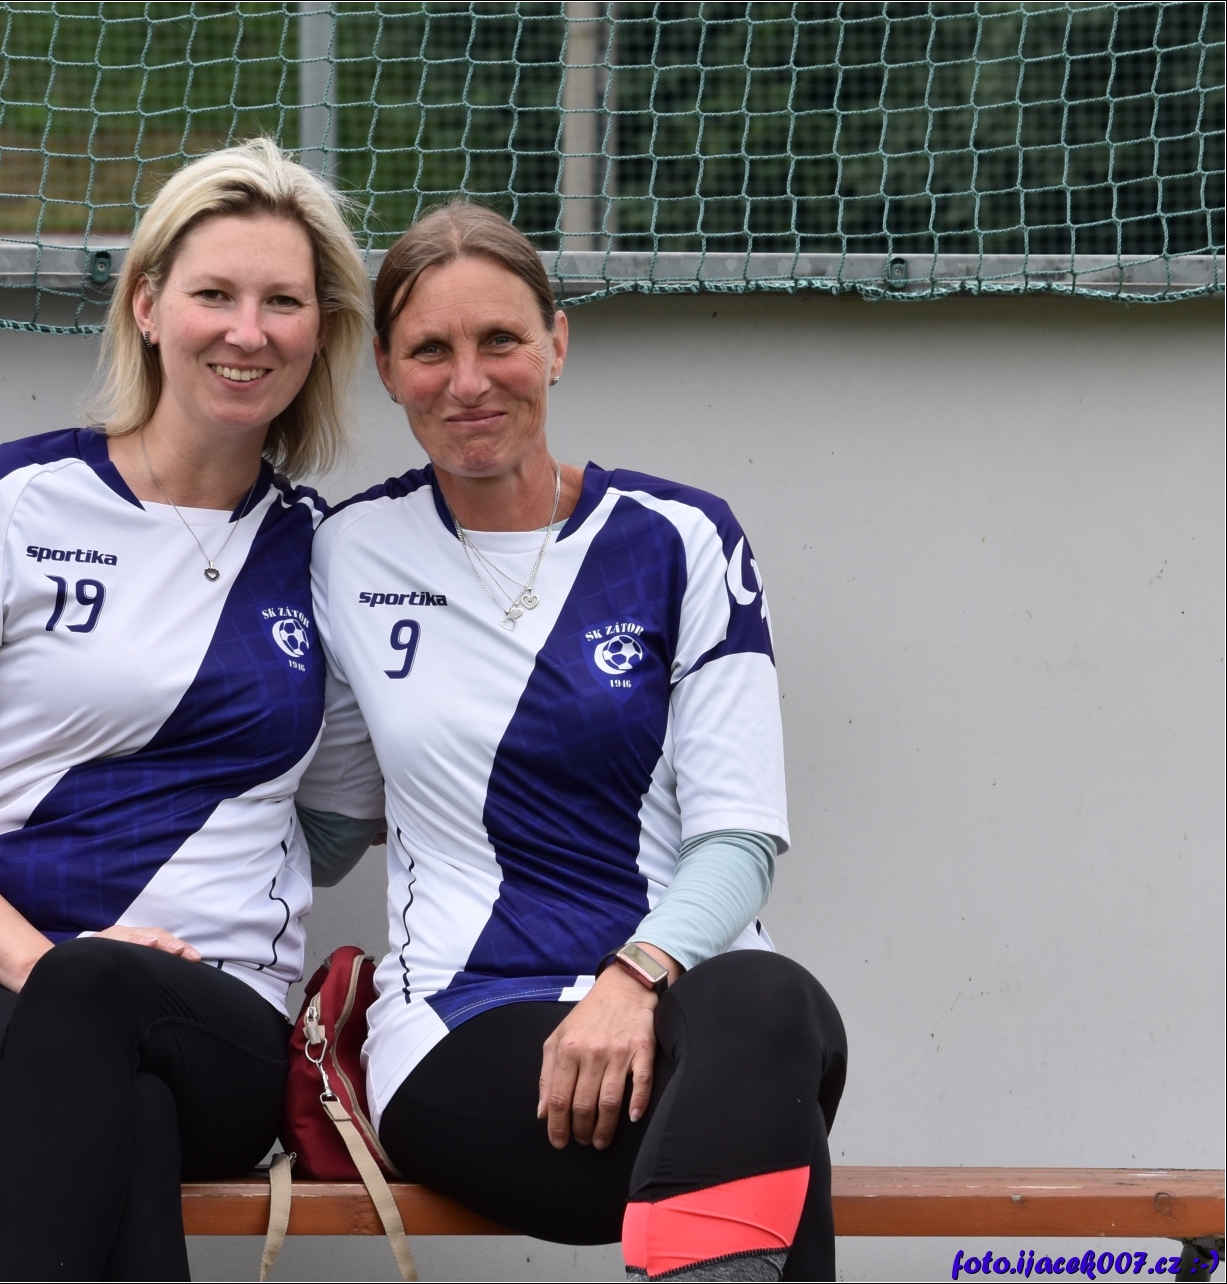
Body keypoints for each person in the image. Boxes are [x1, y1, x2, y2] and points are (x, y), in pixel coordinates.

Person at [0, 137, 371, 1280]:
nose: (247, 331)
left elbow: (335, 818)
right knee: (123, 1097)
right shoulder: (13, 503)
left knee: (120, 1056)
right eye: (214, 294)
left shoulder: (329, 553)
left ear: (319, 332)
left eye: (282, 302)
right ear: (146, 305)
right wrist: (57, 967)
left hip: (219, 1021)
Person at [298, 202, 848, 1282]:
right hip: (465, 1018)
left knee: (770, 1004)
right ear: (386, 369)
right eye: (430, 350)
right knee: (764, 1149)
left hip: (691, 1004)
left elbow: (738, 841)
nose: (468, 381)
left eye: (500, 340)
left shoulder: (682, 538)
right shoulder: (349, 550)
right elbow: (328, 824)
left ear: (556, 342)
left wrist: (630, 980)